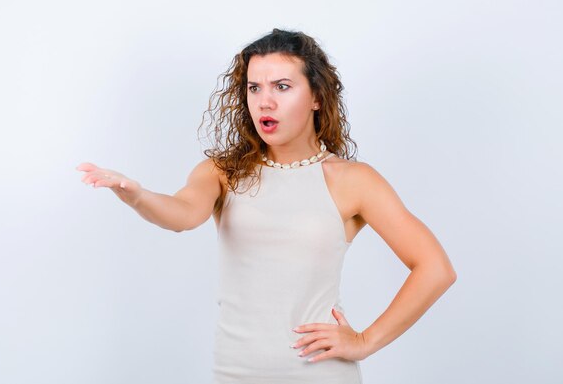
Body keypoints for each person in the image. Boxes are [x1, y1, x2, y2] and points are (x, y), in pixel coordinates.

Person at [76, 28, 457, 383]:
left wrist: (364, 341)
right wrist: (137, 195)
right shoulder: (223, 172)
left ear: (317, 97)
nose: (265, 101)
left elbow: (435, 268)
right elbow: (181, 213)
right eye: (254, 88)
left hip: (318, 373)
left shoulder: (353, 180)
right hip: (235, 372)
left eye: (282, 86)